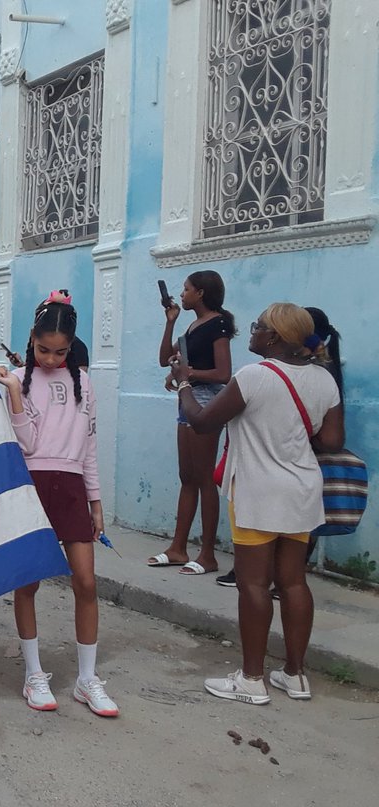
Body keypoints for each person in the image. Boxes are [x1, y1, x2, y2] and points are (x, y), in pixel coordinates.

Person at [174, 303, 343, 705]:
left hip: (258, 492)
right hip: (302, 490)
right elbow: (332, 442)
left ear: (274, 338)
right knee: (293, 582)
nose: (251, 332)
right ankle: (295, 675)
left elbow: (201, 421)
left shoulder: (254, 376)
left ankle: (251, 679)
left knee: (253, 584)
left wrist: (183, 383)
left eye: (258, 327)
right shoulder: (324, 380)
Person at [0, 297, 117, 717]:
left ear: (71, 346)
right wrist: (13, 394)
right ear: (31, 340)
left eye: (60, 351)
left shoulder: (85, 382)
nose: (50, 358)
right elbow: (25, 444)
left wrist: (96, 501)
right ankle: (33, 673)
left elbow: (90, 448)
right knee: (28, 583)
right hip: (31, 486)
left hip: (71, 488)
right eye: (43, 349)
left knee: (86, 582)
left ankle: (86, 679)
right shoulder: (17, 379)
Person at [147, 272, 236, 575]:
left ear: (200, 293)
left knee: (204, 477)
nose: (181, 295)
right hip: (187, 401)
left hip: (208, 402)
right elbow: (164, 359)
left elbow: (224, 373)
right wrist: (170, 320)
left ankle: (208, 554)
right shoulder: (192, 326)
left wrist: (189, 374)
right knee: (188, 475)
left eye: (185, 290)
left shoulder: (218, 325)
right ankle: (178, 547)